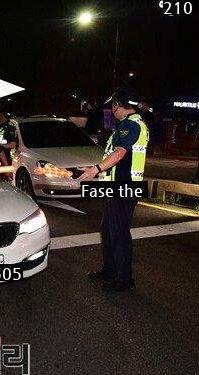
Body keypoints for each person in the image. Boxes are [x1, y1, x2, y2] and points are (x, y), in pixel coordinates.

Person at [76, 87, 149, 292]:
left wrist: (95, 169)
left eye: (113, 106)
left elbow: (119, 154)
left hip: (124, 188)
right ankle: (109, 270)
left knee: (119, 234)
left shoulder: (131, 125)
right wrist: (94, 167)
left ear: (119, 106)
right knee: (108, 230)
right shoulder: (127, 125)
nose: (112, 110)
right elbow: (113, 156)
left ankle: (124, 280)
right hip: (113, 187)